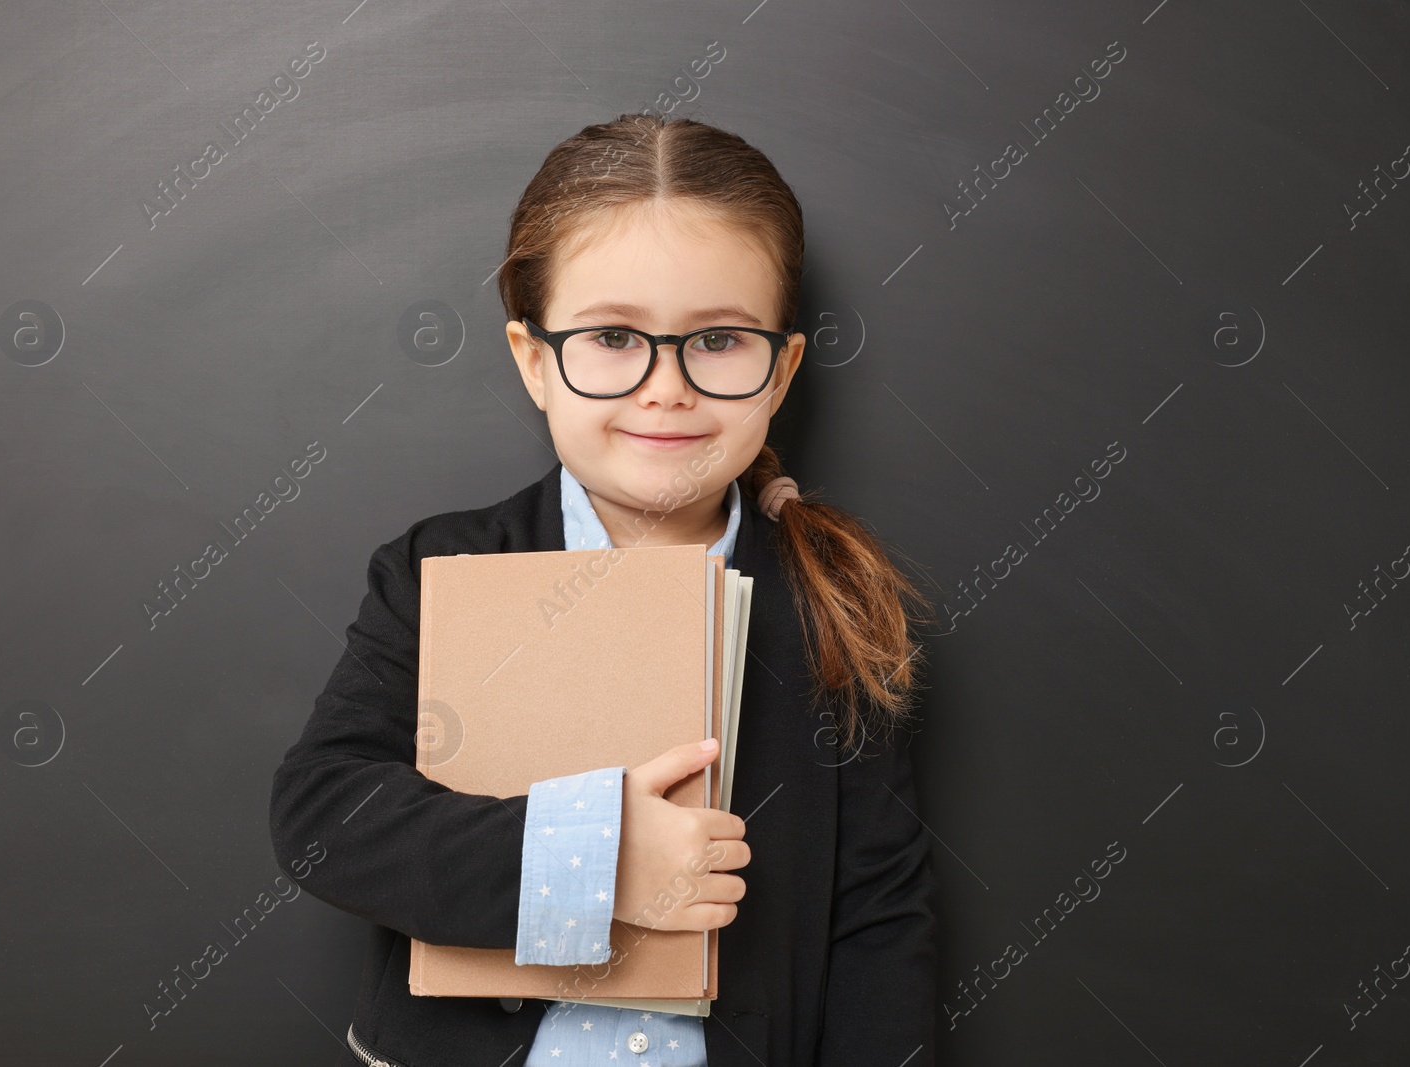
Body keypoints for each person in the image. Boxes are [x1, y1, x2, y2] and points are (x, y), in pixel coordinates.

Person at [269, 111, 938, 1067]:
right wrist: (595, 859)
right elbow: (325, 813)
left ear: (782, 368)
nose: (666, 387)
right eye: (615, 336)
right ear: (535, 360)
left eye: (718, 339)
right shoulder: (440, 570)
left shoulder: (834, 606)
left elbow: (880, 910)